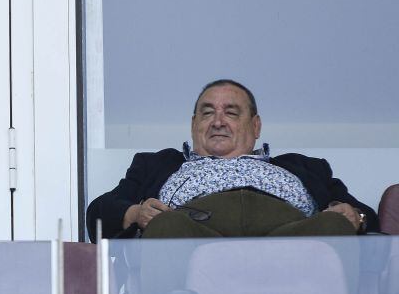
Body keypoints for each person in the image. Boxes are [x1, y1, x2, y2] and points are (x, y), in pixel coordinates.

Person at [87, 79, 378, 241]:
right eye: (207, 112)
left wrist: (356, 216)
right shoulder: (157, 164)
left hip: (289, 236)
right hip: (194, 230)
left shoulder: (304, 167)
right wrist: (136, 213)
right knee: (166, 228)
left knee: (333, 228)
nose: (218, 122)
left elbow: (365, 216)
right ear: (193, 124)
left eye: (231, 112)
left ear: (255, 127)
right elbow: (99, 212)